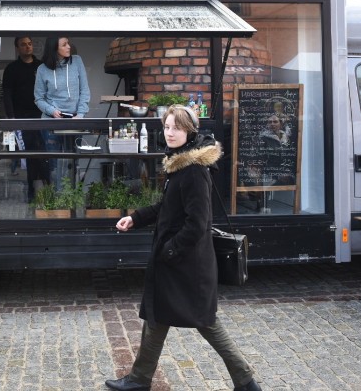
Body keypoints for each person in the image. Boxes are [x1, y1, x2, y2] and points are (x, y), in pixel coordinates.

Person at [106, 105, 261, 391]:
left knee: (206, 323)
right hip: (177, 262)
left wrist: (170, 251)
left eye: (176, 127)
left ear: (189, 130)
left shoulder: (193, 171)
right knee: (156, 317)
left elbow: (197, 223)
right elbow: (167, 207)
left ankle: (246, 381)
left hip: (186, 265)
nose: (170, 132)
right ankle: (139, 379)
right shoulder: (179, 164)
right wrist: (135, 217)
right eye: (166, 127)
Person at [2, 36, 49, 196]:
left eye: (29, 44)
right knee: (30, 155)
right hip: (23, 118)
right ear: (17, 48)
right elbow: (6, 94)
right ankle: (31, 191)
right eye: (23, 44)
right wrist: (11, 118)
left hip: (42, 116)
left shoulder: (41, 67)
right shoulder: (12, 69)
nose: (28, 47)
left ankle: (47, 190)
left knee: (44, 154)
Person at [34, 35, 90, 119]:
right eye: (64, 45)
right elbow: (39, 98)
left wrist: (80, 114)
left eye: (68, 43)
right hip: (51, 119)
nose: (69, 47)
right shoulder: (42, 69)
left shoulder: (77, 61)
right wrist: (51, 111)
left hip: (75, 118)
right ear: (54, 48)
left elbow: (84, 90)